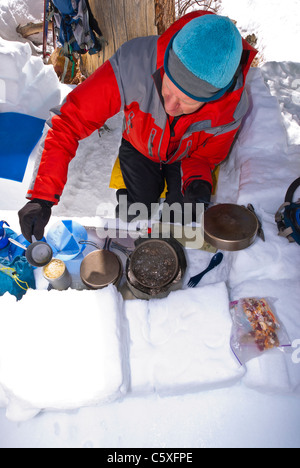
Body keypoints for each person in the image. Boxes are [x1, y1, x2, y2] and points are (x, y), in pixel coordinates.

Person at [18, 10, 257, 242]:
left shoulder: (231, 110)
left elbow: (205, 157)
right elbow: (68, 122)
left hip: (185, 158)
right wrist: (41, 197)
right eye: (167, 88)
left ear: (212, 97)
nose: (171, 106)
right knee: (135, 210)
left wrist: (198, 180)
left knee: (181, 218)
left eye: (187, 102)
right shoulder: (133, 64)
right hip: (140, 144)